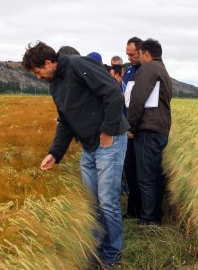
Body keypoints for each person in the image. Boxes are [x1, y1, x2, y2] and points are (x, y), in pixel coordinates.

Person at [22, 41, 129, 266]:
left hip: (109, 142)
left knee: (108, 201)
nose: (38, 77)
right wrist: (55, 153)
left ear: (49, 62)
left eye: (38, 71)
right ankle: (94, 250)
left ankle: (112, 254)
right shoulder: (55, 85)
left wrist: (108, 130)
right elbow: (66, 121)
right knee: (91, 203)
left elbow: (112, 92)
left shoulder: (79, 65)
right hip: (88, 146)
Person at [127, 38, 172, 225]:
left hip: (148, 129)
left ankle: (148, 219)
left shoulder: (148, 69)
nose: (137, 58)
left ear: (146, 54)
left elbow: (138, 98)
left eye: (139, 54)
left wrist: (130, 125)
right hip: (160, 128)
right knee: (153, 173)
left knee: (146, 176)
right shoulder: (163, 70)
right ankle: (153, 215)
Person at [121, 36, 143, 219]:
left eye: (132, 54)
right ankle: (131, 211)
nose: (129, 57)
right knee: (129, 169)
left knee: (139, 171)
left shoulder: (146, 71)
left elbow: (140, 103)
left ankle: (138, 210)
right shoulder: (128, 71)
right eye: (127, 54)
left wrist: (133, 126)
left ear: (141, 51)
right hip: (125, 129)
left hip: (137, 130)